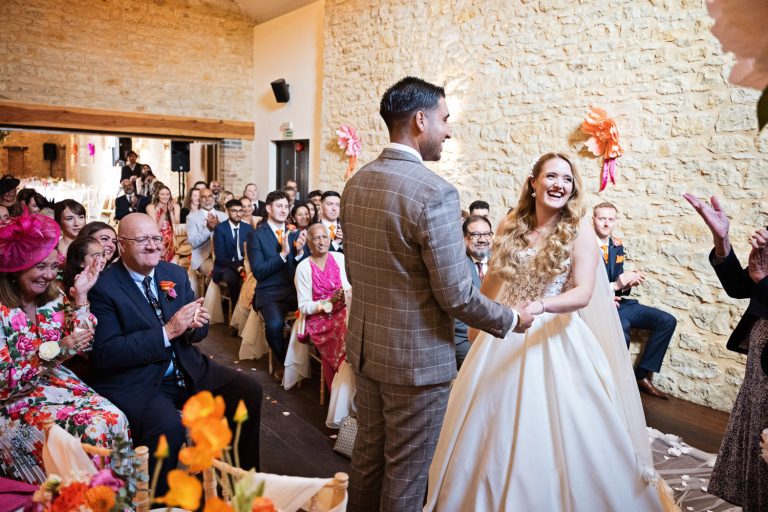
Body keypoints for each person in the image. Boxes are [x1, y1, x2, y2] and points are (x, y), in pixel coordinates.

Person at [425, 153, 668, 511]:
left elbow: (583, 292)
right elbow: (495, 277)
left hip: (556, 335)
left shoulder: (578, 231)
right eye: (551, 176)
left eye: (567, 179)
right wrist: (482, 320)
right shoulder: (511, 223)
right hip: (504, 333)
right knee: (488, 424)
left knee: (565, 428)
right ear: (533, 181)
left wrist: (539, 307)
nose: (559, 184)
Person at [340, 76, 525, 512]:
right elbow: (457, 295)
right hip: (417, 361)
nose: (448, 130)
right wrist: (511, 318)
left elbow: (355, 272)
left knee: (367, 458)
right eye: (445, 119)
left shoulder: (357, 182)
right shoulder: (435, 192)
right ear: (420, 120)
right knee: (406, 473)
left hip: (368, 350)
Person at [85, 213, 263, 493]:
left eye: (156, 238)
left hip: (187, 366)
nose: (153, 245)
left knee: (248, 390)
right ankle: (157, 500)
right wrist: (167, 332)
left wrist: (194, 327)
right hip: (142, 379)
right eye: (142, 240)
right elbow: (106, 353)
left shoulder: (174, 274)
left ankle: (239, 480)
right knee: (169, 428)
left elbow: (196, 330)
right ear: (122, 245)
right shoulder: (104, 287)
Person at [0, 213, 129, 484]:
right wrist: (57, 351)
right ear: (16, 267)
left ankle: (118, 500)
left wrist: (81, 296)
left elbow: (83, 341)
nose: (48, 275)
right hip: (12, 404)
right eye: (39, 267)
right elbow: (3, 382)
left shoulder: (53, 297)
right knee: (92, 428)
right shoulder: (3, 310)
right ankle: (79, 500)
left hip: (57, 386)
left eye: (52, 266)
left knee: (115, 417)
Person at [684, 193, 768, 511]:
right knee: (755, 457)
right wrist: (722, 240)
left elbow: (760, 283)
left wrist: (762, 279)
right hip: (759, 368)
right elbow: (740, 287)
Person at [593, 202, 675, 399]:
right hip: (597, 307)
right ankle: (619, 384)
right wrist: (616, 286)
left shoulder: (617, 246)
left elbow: (618, 281)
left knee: (667, 320)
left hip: (619, 303)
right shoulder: (585, 246)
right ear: (593, 220)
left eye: (611, 219)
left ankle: (641, 376)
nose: (606, 223)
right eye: (602, 218)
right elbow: (584, 285)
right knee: (623, 328)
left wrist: (629, 282)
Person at [247, 190, 307, 381]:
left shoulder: (294, 232)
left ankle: (308, 360)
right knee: (274, 326)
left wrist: (298, 253)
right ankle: (285, 363)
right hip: (269, 293)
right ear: (268, 208)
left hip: (294, 291)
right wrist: (282, 254)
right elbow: (258, 272)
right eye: (279, 206)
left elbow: (302, 267)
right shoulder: (256, 235)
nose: (283, 210)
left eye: (286, 206)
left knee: (319, 315)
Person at [295, 223, 351, 390]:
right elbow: (304, 306)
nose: (321, 241)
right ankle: (336, 388)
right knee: (343, 332)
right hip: (319, 318)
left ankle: (352, 387)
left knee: (355, 327)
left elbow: (348, 288)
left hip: (344, 309)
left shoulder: (339, 258)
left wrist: (343, 298)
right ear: (309, 243)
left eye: (324, 237)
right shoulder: (303, 267)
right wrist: (328, 303)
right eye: (316, 238)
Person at [453, 214, 493, 370]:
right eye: (475, 235)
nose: (482, 239)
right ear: (464, 238)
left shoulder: (501, 262)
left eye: (487, 234)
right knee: (481, 371)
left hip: (498, 334)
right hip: (465, 337)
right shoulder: (457, 266)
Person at [213, 199, 253, 306]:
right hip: (225, 265)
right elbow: (220, 257)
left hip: (244, 263)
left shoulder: (248, 228)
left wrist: (245, 265)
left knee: (256, 277)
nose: (238, 214)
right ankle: (237, 312)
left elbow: (252, 250)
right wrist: (238, 267)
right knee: (233, 279)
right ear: (227, 211)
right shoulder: (220, 229)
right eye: (234, 211)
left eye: (240, 211)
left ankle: (250, 309)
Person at [187, 188, 228, 277]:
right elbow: (193, 243)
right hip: (204, 258)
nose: (208, 199)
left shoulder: (224, 216)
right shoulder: (192, 218)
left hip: (224, 257)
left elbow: (230, 238)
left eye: (210, 196)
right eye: (204, 197)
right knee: (219, 273)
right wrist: (208, 229)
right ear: (199, 200)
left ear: (213, 198)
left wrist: (220, 228)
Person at [145, 185, 179, 262]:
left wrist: (170, 212)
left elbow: (176, 227)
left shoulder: (175, 206)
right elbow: (156, 229)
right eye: (162, 194)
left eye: (167, 194)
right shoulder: (150, 207)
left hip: (172, 240)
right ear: (157, 195)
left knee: (171, 264)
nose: (165, 197)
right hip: (158, 240)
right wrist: (163, 213)